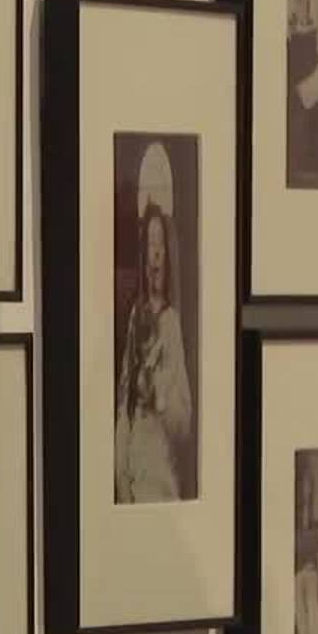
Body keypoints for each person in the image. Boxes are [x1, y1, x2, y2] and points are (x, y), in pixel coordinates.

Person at [114, 143, 195, 503]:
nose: (156, 254)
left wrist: (160, 395)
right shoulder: (136, 317)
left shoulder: (172, 324)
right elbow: (123, 402)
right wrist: (119, 474)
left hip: (160, 481)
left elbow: (183, 424)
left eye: (160, 245)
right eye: (150, 245)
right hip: (132, 476)